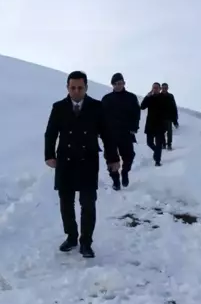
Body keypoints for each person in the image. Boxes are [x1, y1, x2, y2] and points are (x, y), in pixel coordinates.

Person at [44, 70, 120, 258]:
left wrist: (113, 159)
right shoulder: (59, 107)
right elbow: (51, 133)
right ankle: (71, 237)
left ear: (86, 87)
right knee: (66, 203)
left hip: (88, 160)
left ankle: (86, 242)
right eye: (73, 88)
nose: (76, 91)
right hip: (65, 161)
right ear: (67, 88)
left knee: (88, 204)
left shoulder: (96, 106)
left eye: (80, 88)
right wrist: (49, 155)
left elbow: (107, 134)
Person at [101, 72, 141, 190]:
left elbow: (136, 114)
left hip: (126, 133)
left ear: (124, 83)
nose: (119, 85)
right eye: (117, 83)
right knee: (111, 159)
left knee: (129, 156)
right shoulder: (107, 99)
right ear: (112, 85)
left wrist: (134, 128)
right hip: (110, 134)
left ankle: (125, 172)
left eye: (121, 83)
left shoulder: (131, 97)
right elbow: (100, 116)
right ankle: (115, 180)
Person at [140, 82, 172, 166]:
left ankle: (157, 161)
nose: (155, 89)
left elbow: (168, 110)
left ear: (160, 89)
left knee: (159, 144)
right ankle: (156, 152)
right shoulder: (149, 97)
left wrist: (167, 124)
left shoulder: (164, 98)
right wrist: (147, 96)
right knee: (149, 143)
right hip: (150, 124)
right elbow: (142, 106)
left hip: (160, 125)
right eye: (154, 87)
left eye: (157, 88)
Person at [160, 82, 179, 150]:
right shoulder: (158, 96)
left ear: (167, 88)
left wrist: (175, 120)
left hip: (169, 117)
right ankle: (163, 144)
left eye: (165, 88)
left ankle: (169, 145)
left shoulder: (170, 96)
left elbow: (174, 107)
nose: (164, 89)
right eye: (163, 88)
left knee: (169, 132)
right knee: (161, 132)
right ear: (161, 88)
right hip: (160, 118)